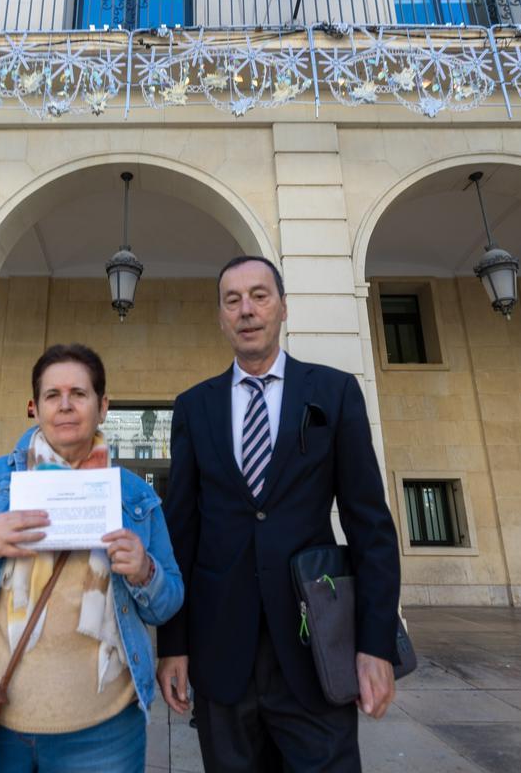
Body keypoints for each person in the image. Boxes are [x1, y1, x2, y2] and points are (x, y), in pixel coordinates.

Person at [156, 256, 401, 772]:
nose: (246, 310)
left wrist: (375, 644)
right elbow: (181, 531)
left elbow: (369, 524)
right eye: (232, 300)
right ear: (222, 317)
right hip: (222, 654)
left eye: (259, 296)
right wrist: (172, 646)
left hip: (316, 652)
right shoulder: (193, 407)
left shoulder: (333, 392)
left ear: (283, 307)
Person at [0, 343, 183, 773]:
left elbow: (169, 602)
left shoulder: (136, 496)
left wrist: (146, 572)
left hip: (105, 733)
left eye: (79, 394)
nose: (65, 406)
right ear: (34, 408)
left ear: (103, 406)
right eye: (52, 395)